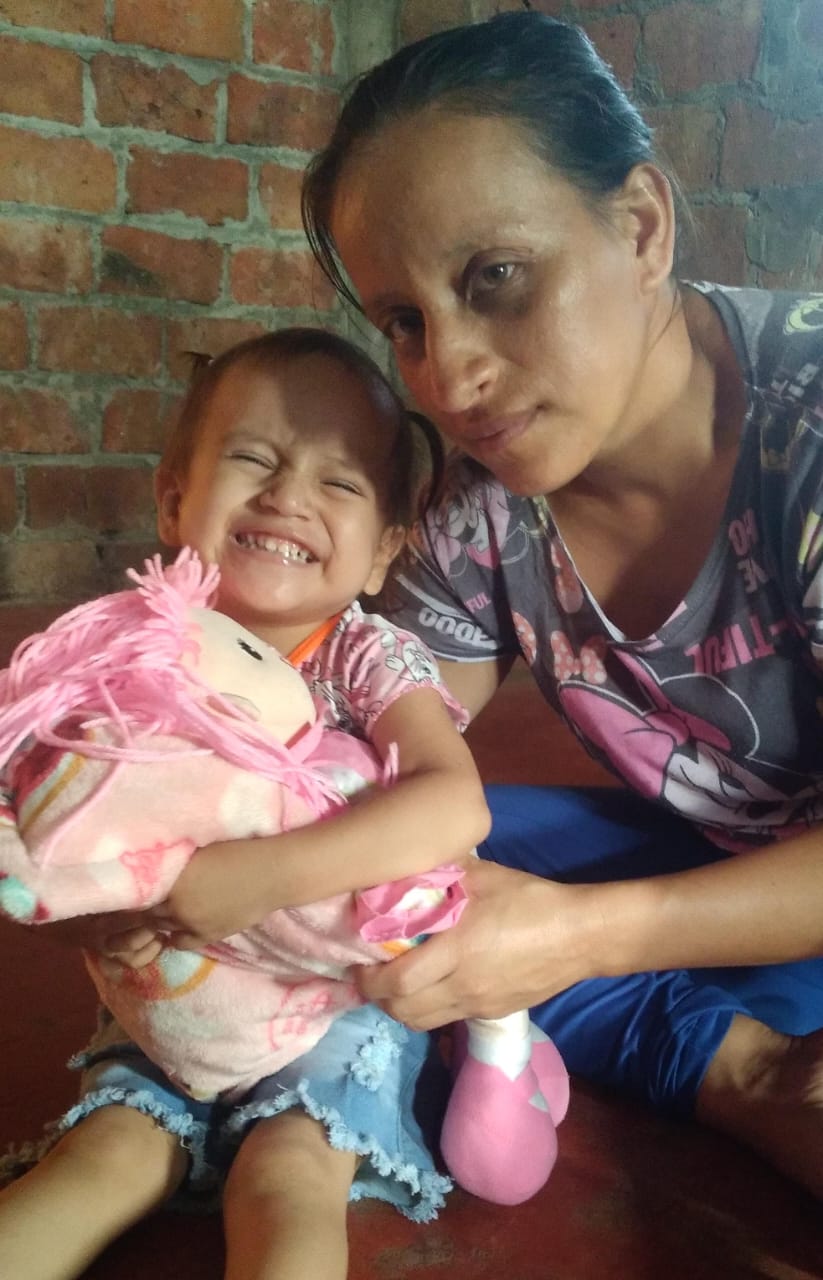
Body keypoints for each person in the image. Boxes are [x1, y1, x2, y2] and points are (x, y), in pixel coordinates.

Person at [298, 9, 823, 1202]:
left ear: (640, 226)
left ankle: (723, 1048)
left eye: (497, 277)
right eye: (404, 321)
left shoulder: (806, 428)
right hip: (717, 862)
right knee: (354, 864)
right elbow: (367, 753)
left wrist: (584, 935)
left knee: (443, 938)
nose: (449, 376)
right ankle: (741, 1064)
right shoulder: (480, 508)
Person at [0, 328, 497, 1280]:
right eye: (254, 459)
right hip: (173, 1002)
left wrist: (258, 878)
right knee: (104, 1159)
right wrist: (92, 920)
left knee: (284, 1176)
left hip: (332, 1000)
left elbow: (455, 806)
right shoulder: (131, 657)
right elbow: (53, 830)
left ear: (384, 550)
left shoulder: (367, 658)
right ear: (173, 497)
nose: (287, 497)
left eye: (338, 481)